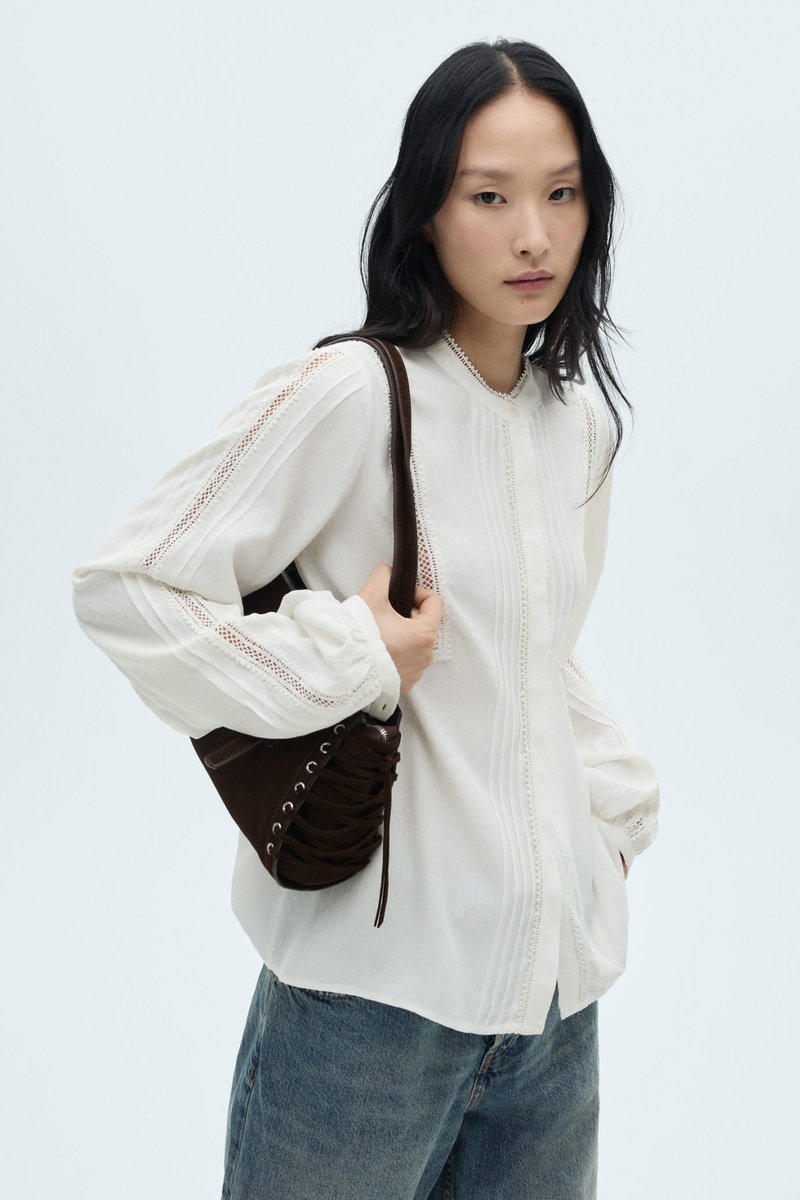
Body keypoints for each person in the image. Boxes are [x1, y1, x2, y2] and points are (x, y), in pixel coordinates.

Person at [72, 36, 660, 1200]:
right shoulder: (350, 394)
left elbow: (537, 653)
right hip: (365, 1016)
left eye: (560, 194)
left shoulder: (577, 428)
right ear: (425, 211)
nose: (532, 235)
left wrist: (605, 813)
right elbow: (127, 587)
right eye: (487, 197)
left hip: (552, 1010)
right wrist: (347, 656)